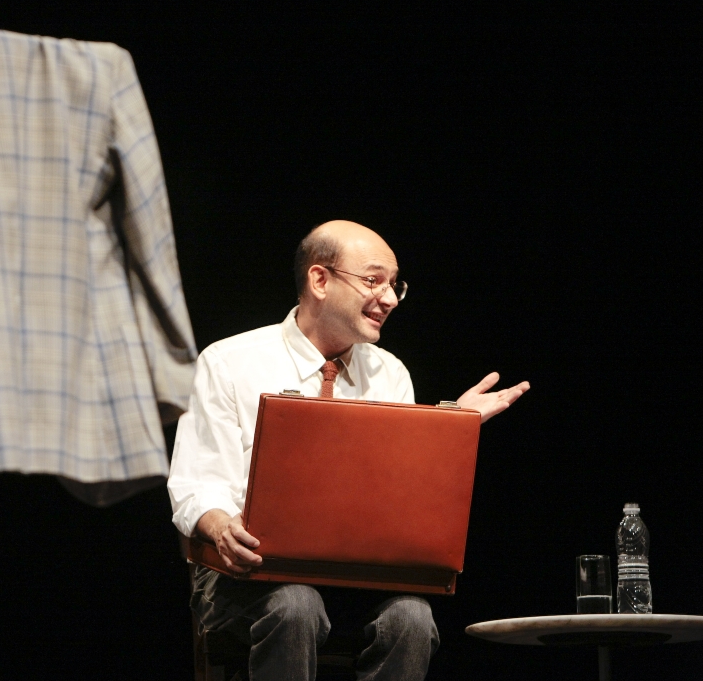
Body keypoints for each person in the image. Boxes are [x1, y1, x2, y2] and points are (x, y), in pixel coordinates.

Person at [168, 220, 530, 680]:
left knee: (412, 618)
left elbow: (397, 496)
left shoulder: (390, 373)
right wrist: (222, 528)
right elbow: (196, 484)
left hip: (355, 579)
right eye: (374, 280)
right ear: (320, 280)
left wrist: (448, 428)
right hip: (245, 575)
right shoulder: (229, 362)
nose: (390, 298)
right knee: (296, 605)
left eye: (395, 285)